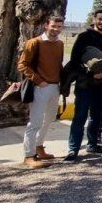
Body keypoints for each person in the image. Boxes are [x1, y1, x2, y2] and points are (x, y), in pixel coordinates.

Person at [65, 9, 102, 161]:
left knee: (97, 116)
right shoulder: (84, 37)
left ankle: (93, 144)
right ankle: (73, 149)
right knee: (80, 116)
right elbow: (75, 60)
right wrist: (91, 73)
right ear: (94, 19)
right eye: (100, 19)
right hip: (85, 84)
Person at [17, 15, 65, 169]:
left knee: (49, 119)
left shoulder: (60, 44)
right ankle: (29, 155)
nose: (56, 29)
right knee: (35, 121)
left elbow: (58, 65)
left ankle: (39, 146)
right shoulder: (34, 43)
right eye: (53, 26)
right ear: (46, 25)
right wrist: (39, 80)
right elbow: (23, 65)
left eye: (59, 26)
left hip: (54, 86)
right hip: (40, 87)